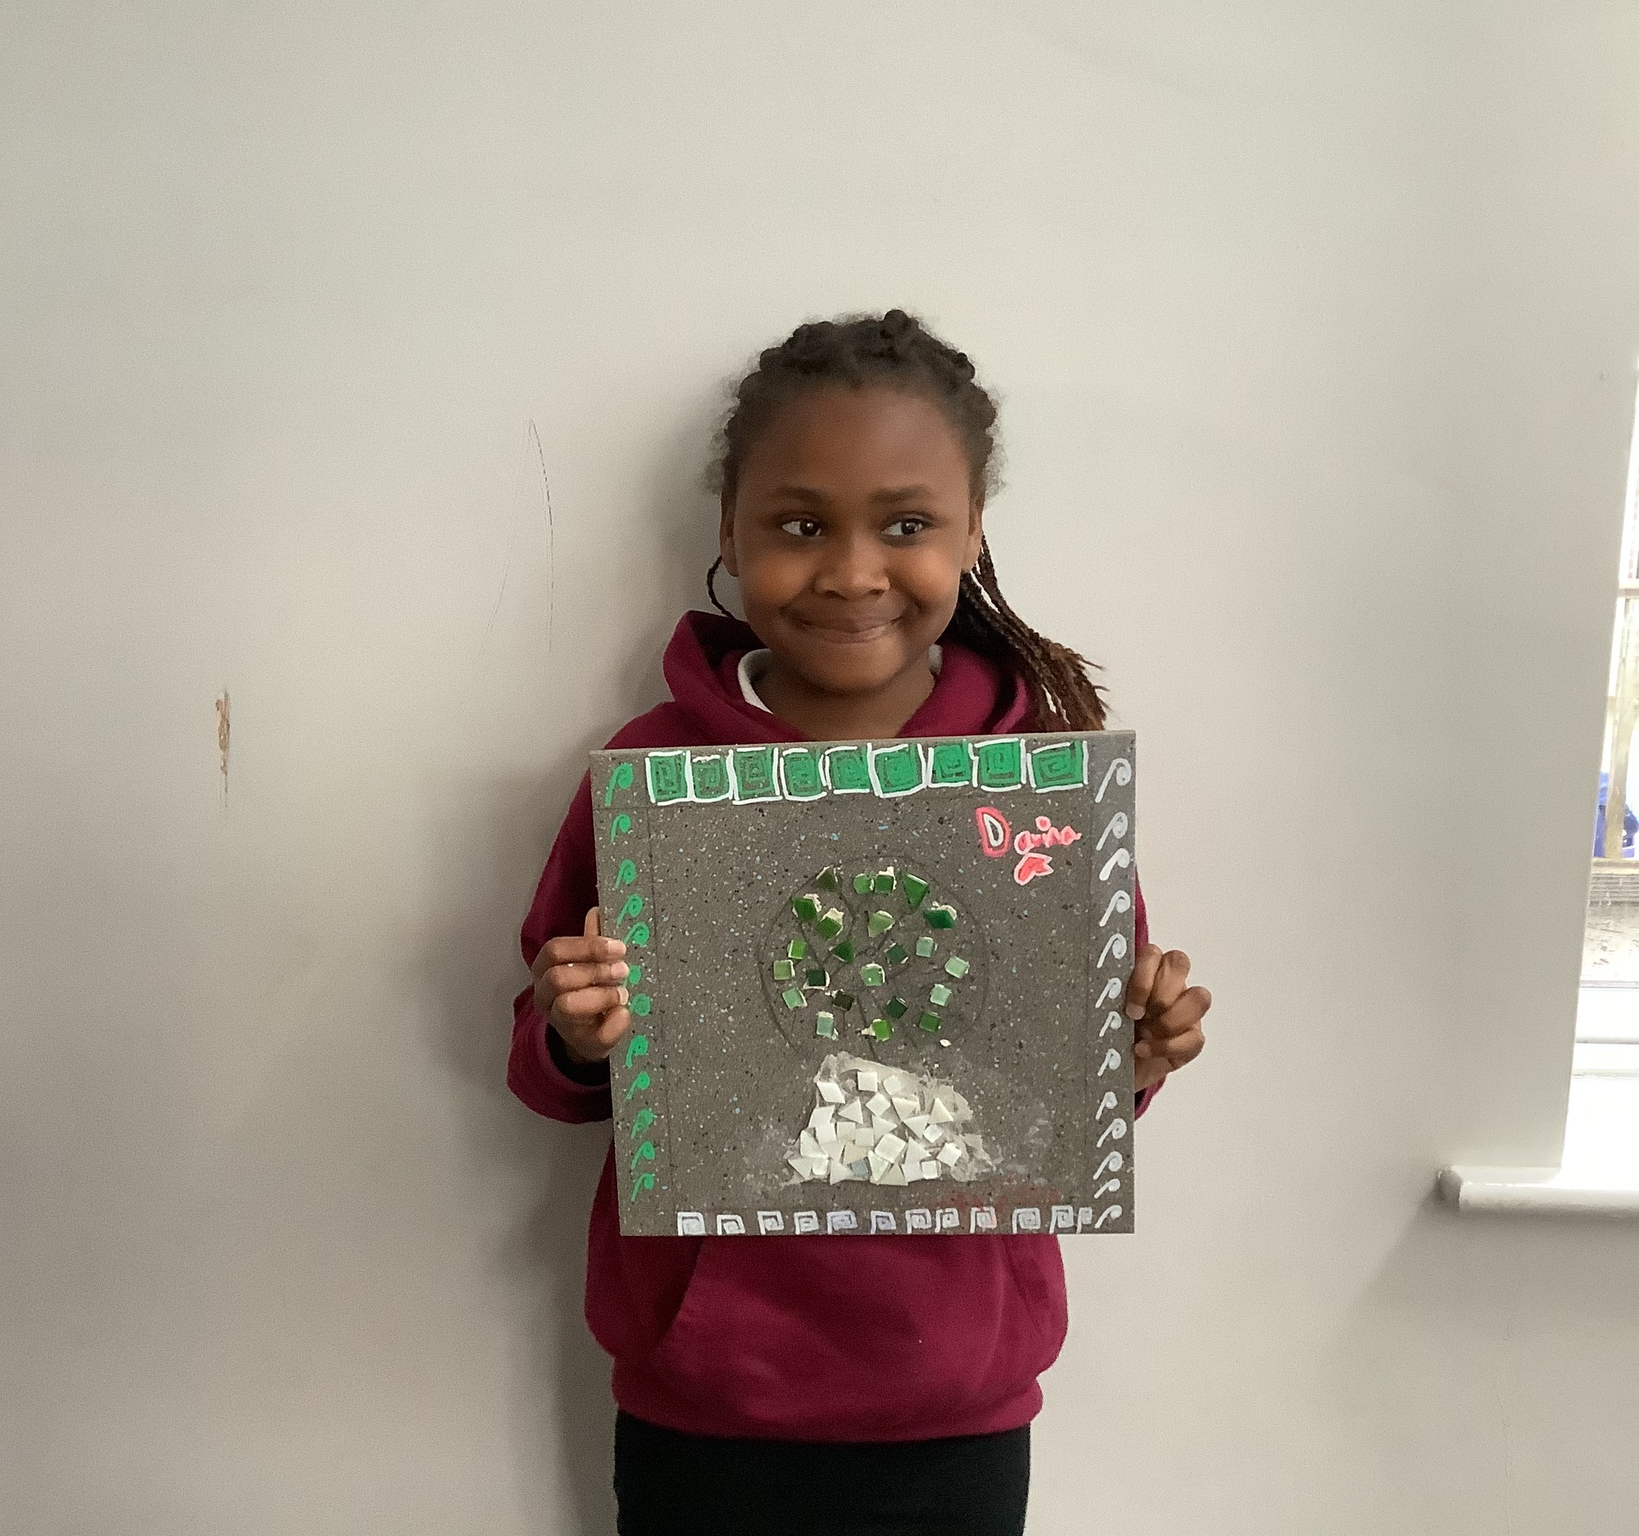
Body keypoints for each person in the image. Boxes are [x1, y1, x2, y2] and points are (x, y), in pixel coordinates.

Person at [507, 311, 1211, 1535]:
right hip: (706, 1406)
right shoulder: (655, 774)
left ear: (972, 530)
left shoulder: (1033, 784)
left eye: (904, 525)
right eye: (797, 525)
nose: (849, 572)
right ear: (728, 530)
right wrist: (573, 1030)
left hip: (956, 1404)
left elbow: (1059, 1086)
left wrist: (1132, 1056)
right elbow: (551, 1067)